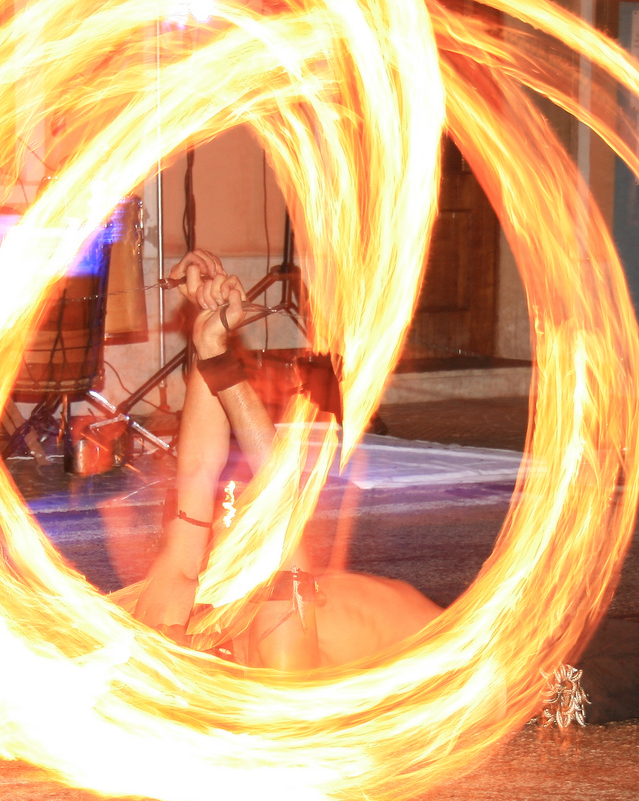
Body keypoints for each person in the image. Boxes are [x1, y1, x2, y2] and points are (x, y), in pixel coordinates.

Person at [130, 250, 442, 668]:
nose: (161, 631)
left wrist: (206, 335)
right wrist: (219, 361)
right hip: (460, 657)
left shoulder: (161, 631)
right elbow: (277, 492)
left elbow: (197, 471)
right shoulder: (276, 663)